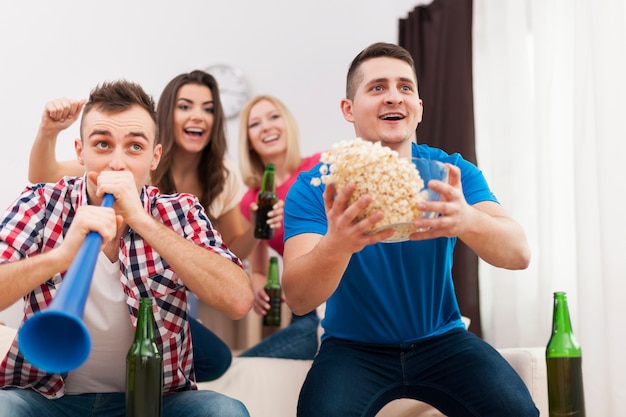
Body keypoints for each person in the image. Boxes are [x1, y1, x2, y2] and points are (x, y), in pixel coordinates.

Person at [281, 42, 538, 417]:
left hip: (443, 341)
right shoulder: (318, 185)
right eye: (377, 87)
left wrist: (467, 219)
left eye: (405, 87)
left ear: (419, 107)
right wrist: (338, 243)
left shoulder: (451, 172)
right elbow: (299, 298)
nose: (393, 97)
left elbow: (519, 254)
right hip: (352, 349)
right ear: (348, 109)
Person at [0, 80, 254, 416]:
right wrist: (61, 256)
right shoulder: (42, 202)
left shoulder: (180, 211)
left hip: (152, 404)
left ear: (154, 157)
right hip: (46, 400)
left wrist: (143, 221)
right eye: (102, 144)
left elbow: (238, 301)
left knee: (225, 411)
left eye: (135, 147)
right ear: (80, 151)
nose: (117, 164)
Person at [236, 95, 320, 359]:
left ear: (287, 124)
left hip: (339, 292)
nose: (266, 127)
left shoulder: (319, 167)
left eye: (274, 117)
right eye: (255, 124)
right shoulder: (251, 200)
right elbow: (259, 269)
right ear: (248, 140)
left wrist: (298, 209)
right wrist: (258, 286)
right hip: (304, 304)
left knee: (250, 362)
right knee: (256, 362)